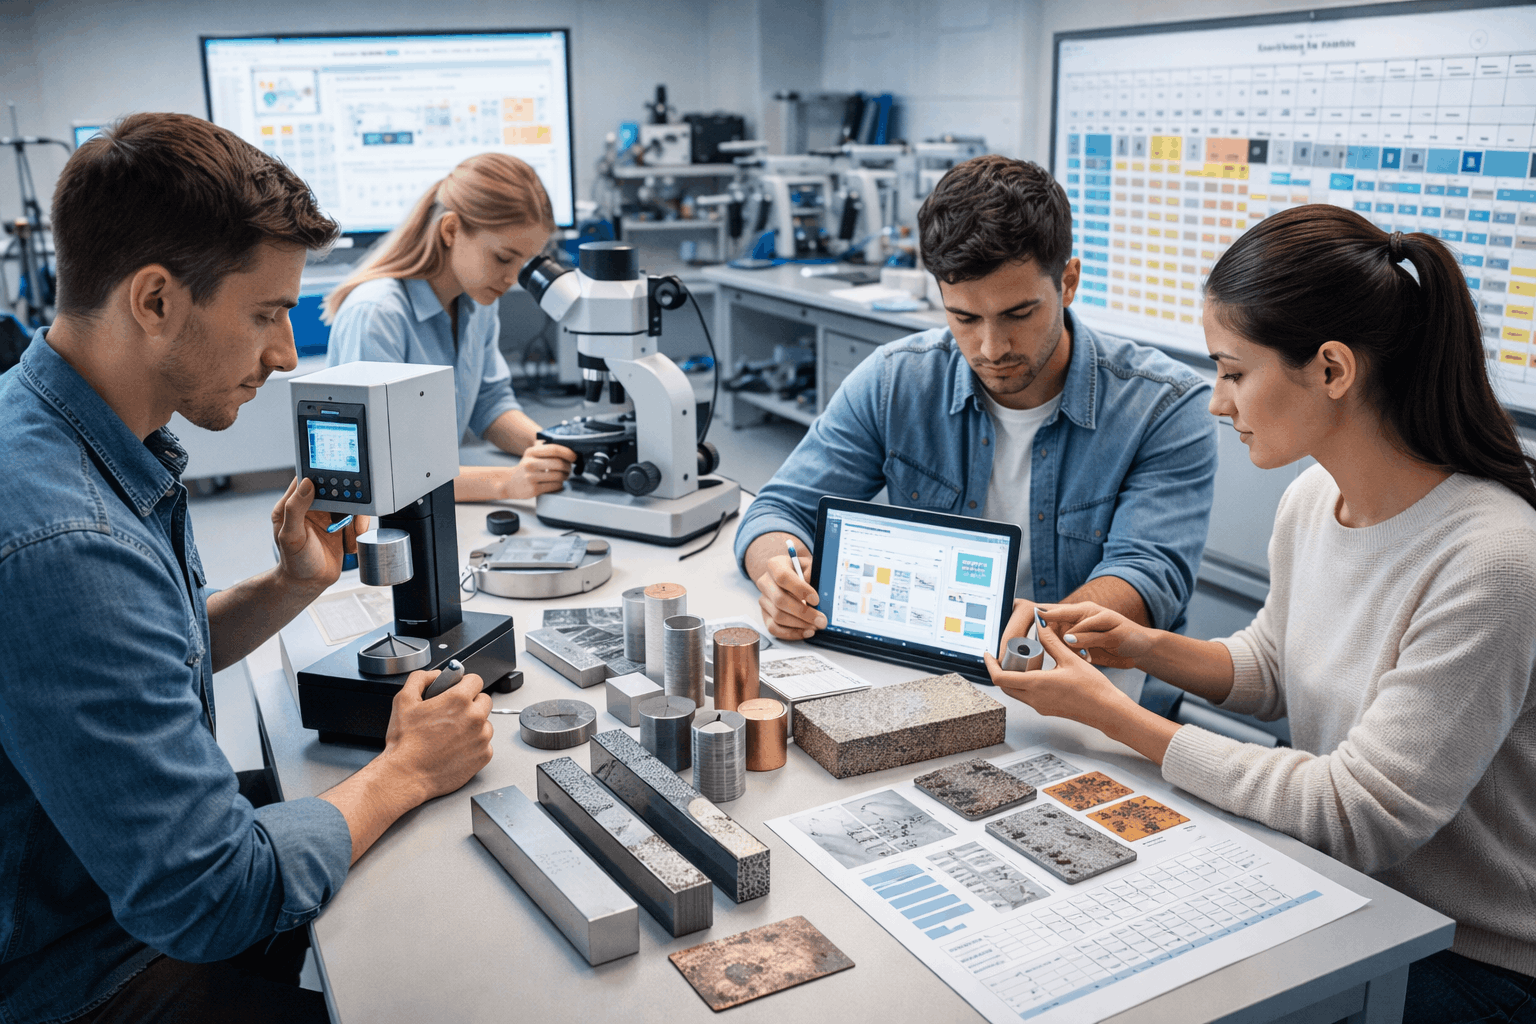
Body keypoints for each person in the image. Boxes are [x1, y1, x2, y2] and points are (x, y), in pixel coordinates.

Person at [0, 113, 495, 1023]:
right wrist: (406, 772)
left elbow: (147, 647)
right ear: (155, 301)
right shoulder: (67, 540)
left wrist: (289, 586)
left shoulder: (58, 431)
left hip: (88, 883)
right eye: (267, 313)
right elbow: (209, 897)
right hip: (83, 972)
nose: (286, 353)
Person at [992, 205, 1536, 1021]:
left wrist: (1116, 717)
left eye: (1234, 372)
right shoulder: (1315, 497)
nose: (1218, 403)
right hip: (1346, 886)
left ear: (1333, 369)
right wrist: (1144, 645)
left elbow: (1355, 814)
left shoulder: (1493, 561)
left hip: (1470, 954)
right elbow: (1277, 669)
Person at [735, 155, 1219, 695]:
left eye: (1018, 314)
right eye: (964, 318)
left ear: (1068, 282)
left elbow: (1148, 576)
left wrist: (1035, 636)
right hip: (932, 677)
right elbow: (778, 510)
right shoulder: (895, 380)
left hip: (1089, 686)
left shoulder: (1164, 406)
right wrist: (780, 576)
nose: (991, 348)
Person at [323, 152, 576, 501]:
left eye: (523, 264)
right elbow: (382, 468)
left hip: (432, 502)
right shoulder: (377, 316)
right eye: (503, 258)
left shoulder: (478, 302)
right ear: (451, 230)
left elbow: (489, 404)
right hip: (375, 521)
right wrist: (506, 482)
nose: (511, 278)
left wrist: (555, 448)